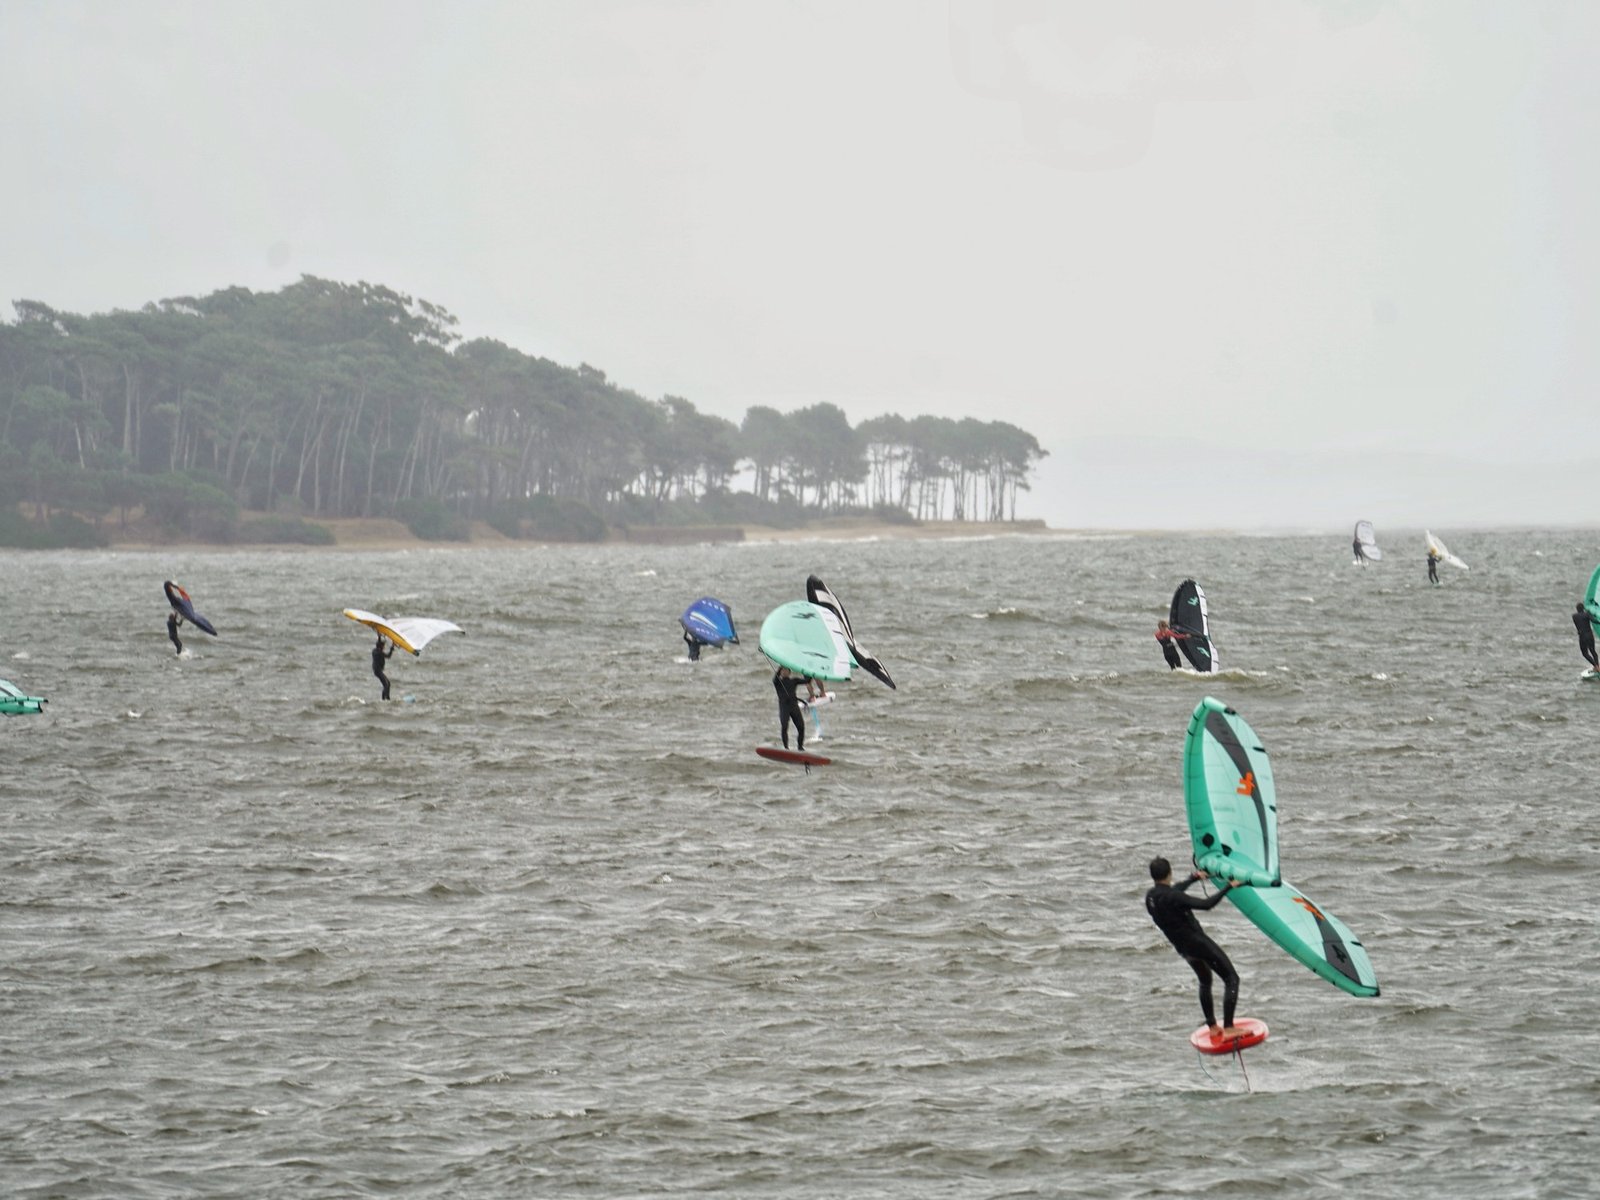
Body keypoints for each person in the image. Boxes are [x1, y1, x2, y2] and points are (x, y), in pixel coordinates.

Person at [1144, 856, 1241, 1038]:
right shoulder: (1173, 896)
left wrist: (1194, 878)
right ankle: (1228, 1027)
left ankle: (1212, 1026)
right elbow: (1206, 905)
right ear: (1169, 873)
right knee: (1231, 978)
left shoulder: (1151, 897)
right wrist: (1229, 886)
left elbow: (1173, 892)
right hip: (1198, 943)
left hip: (1184, 949)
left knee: (1205, 981)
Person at [772, 666, 809, 751]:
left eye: (786, 670)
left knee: (801, 727)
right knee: (784, 726)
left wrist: (807, 670)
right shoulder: (778, 682)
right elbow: (774, 679)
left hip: (794, 706)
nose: (784, 672)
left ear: (789, 672)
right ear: (780, 672)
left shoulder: (794, 681)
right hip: (784, 707)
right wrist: (780, 668)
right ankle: (786, 747)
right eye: (782, 671)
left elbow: (807, 680)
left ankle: (800, 747)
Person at [1575, 602, 1598, 670]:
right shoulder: (1587, 614)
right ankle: (1597, 666)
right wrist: (1591, 614)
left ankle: (1595, 666)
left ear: (1577, 609)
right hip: (1589, 635)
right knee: (1593, 651)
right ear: (1583, 608)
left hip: (1582, 637)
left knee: (1585, 653)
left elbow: (1581, 618)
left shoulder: (1574, 616)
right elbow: (1594, 620)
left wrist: (1587, 613)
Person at [371, 634, 395, 700]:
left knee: (387, 684)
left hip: (377, 670)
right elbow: (388, 656)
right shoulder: (379, 652)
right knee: (386, 685)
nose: (384, 647)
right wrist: (391, 649)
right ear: (381, 647)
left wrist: (379, 636)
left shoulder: (375, 650)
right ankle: (386, 699)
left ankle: (385, 698)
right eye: (383, 646)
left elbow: (378, 644)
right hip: (378, 671)